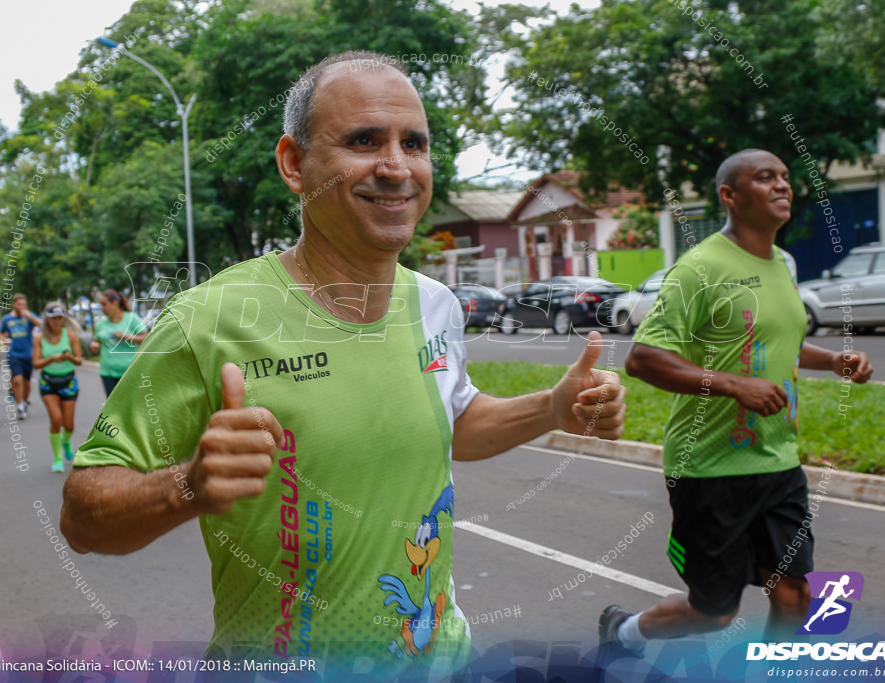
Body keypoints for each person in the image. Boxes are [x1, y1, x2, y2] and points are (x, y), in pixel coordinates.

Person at [61, 50, 627, 677]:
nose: (395, 167)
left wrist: (552, 406)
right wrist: (188, 486)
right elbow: (83, 515)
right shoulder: (208, 319)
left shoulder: (435, 304)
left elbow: (454, 421)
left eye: (413, 144)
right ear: (294, 164)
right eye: (363, 140)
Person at [601, 149, 873, 655]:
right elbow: (643, 359)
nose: (782, 186)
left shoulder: (784, 264)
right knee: (714, 612)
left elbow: (776, 341)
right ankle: (623, 630)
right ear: (730, 195)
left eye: (786, 178)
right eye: (764, 177)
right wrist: (732, 385)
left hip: (778, 462)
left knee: (794, 597)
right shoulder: (699, 269)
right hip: (709, 466)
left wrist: (833, 361)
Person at [33, 302, 83, 473]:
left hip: (68, 381)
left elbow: (79, 360)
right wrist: (51, 359)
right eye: (53, 318)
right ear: (46, 320)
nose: (56, 322)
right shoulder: (39, 338)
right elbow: (36, 363)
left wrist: (68, 357)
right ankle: (58, 457)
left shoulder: (70, 335)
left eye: (59, 318)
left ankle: (66, 441)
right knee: (56, 420)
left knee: (69, 425)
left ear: (64, 319)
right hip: (48, 382)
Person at [89, 289, 148, 397]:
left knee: (132, 407)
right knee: (113, 409)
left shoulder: (131, 318)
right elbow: (95, 343)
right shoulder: (101, 324)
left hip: (130, 372)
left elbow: (146, 338)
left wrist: (125, 336)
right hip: (108, 373)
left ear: (115, 303)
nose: (102, 308)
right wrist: (94, 346)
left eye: (104, 304)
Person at [0, 294, 41, 419]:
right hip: (14, 353)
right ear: (14, 304)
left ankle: (25, 401)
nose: (21, 307)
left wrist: (29, 316)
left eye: (24, 304)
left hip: (28, 353)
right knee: (17, 380)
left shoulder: (29, 316)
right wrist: (4, 339)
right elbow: (1, 332)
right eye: (19, 304)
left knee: (27, 382)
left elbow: (41, 325)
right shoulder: (7, 319)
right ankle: (19, 406)